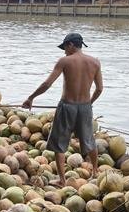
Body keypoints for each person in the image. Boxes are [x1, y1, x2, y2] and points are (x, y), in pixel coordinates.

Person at [22, 33, 103, 186]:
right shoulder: (95, 62)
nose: (64, 51)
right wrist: (89, 103)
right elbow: (99, 89)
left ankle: (62, 180)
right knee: (89, 140)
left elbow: (47, 84)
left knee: (60, 143)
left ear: (71, 45)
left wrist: (31, 97)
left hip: (67, 106)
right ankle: (94, 173)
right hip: (85, 107)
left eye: (65, 47)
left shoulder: (65, 61)